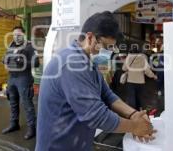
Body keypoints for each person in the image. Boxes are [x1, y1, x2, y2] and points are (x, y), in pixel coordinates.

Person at [36, 11, 155, 151]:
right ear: (90, 37)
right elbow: (97, 116)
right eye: (106, 46)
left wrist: (133, 114)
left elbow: (107, 94)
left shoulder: (87, 61)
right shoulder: (71, 64)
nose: (109, 51)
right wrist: (135, 126)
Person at [2, 26, 39, 139]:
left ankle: (32, 128)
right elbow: (5, 58)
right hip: (12, 77)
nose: (16, 37)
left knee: (27, 104)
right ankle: (14, 124)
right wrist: (5, 63)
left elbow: (36, 62)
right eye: (14, 35)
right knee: (13, 102)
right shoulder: (11, 45)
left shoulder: (29, 46)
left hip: (23, 78)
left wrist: (22, 62)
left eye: (18, 35)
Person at [123, 45, 158, 110]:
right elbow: (147, 71)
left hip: (130, 81)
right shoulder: (143, 58)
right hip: (140, 82)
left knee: (131, 97)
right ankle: (138, 111)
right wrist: (153, 76)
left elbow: (124, 68)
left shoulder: (128, 57)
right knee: (139, 97)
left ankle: (132, 112)